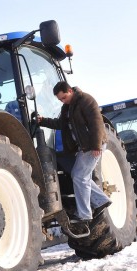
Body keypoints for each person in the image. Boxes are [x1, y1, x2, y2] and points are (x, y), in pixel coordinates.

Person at [37, 81, 111, 225]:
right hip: (84, 147)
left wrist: (96, 145)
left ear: (70, 91)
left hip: (93, 145)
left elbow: (96, 123)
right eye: (60, 99)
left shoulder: (86, 100)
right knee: (81, 176)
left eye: (64, 97)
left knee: (79, 176)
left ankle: (85, 214)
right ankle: (101, 201)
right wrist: (43, 121)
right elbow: (61, 124)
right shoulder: (67, 107)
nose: (62, 101)